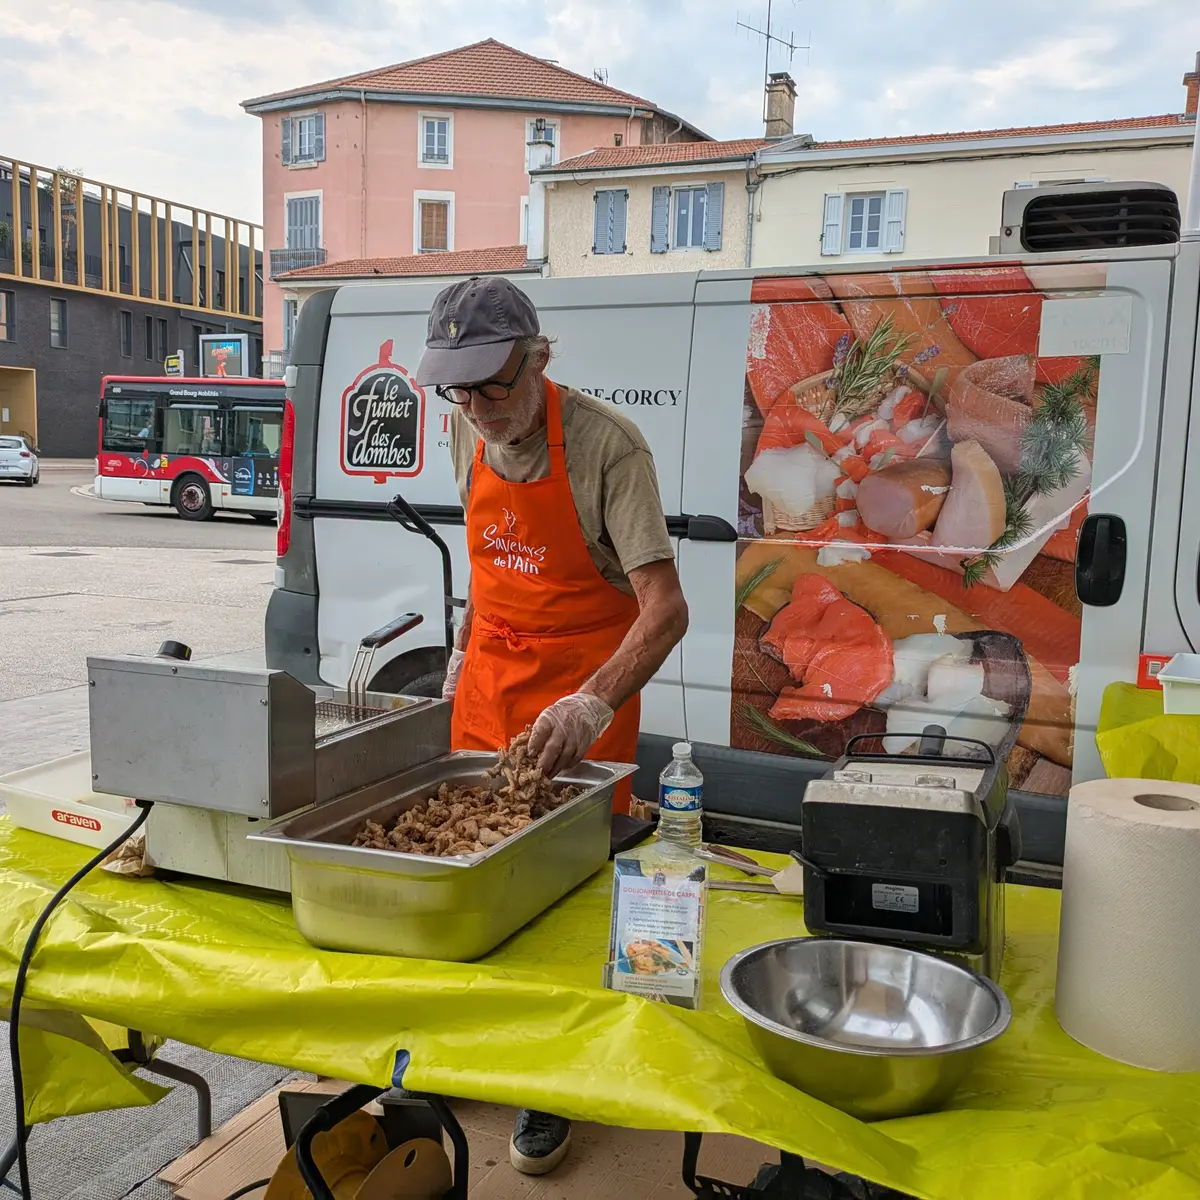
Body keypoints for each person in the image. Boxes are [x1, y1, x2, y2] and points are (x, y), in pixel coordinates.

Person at [415, 276, 689, 1177]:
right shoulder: (466, 422)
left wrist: (592, 701)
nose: (479, 408)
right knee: (466, 881)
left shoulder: (612, 450)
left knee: (566, 904)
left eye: (496, 385)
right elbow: (486, 557)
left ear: (539, 358)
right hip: (488, 688)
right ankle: (457, 1051)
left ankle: (551, 1082)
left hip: (579, 701)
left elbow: (665, 611)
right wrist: (463, 646)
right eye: (460, 388)